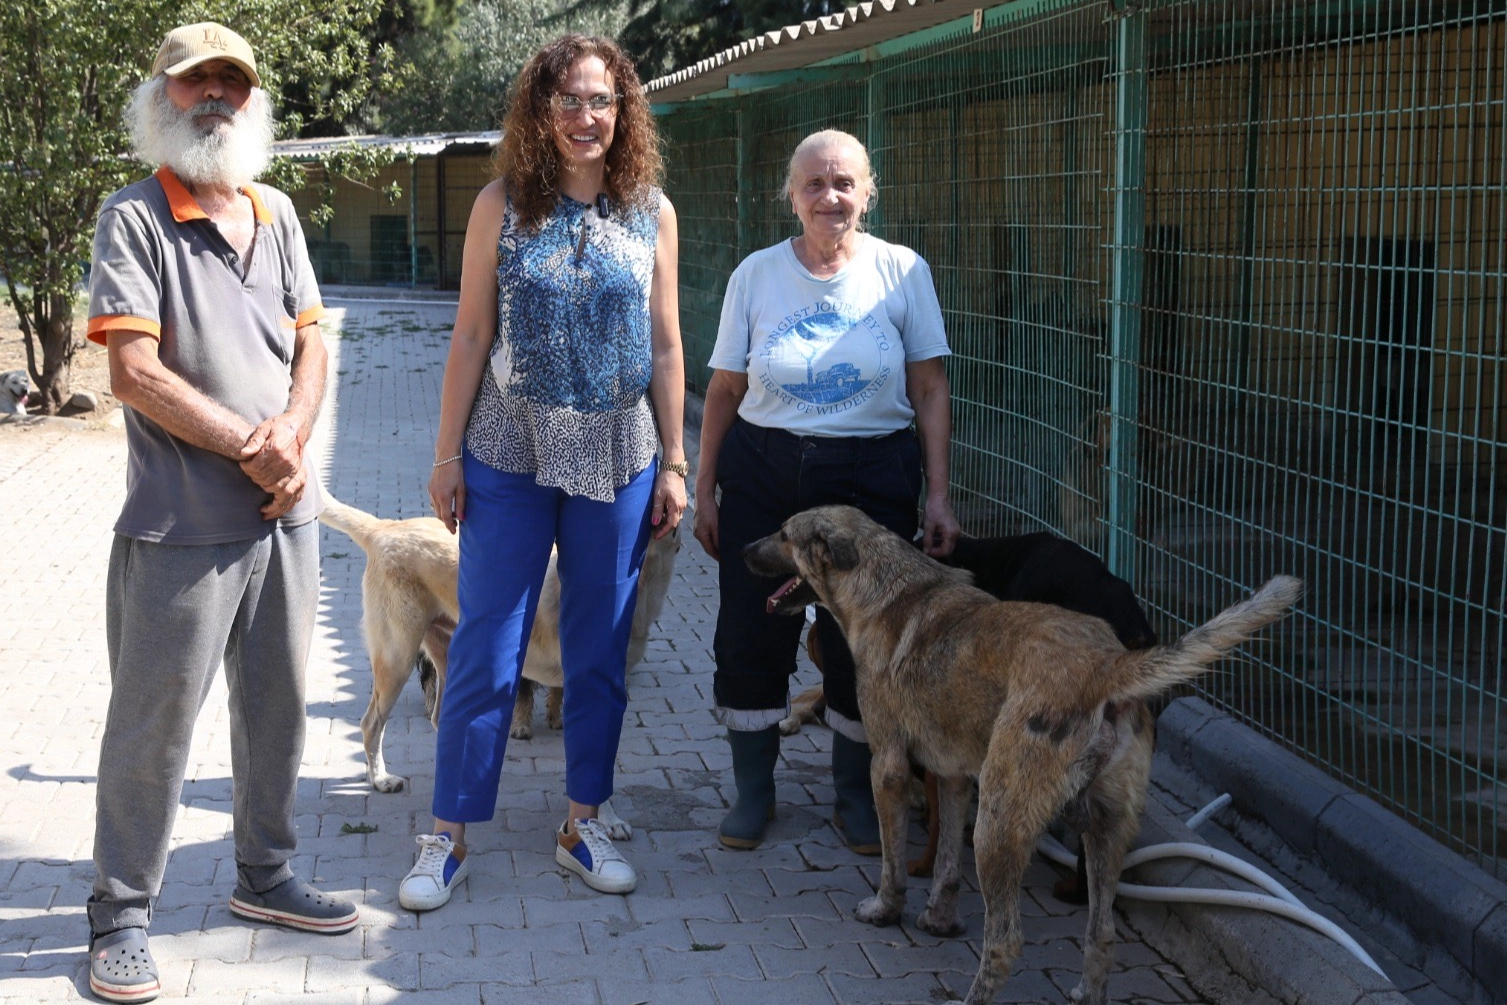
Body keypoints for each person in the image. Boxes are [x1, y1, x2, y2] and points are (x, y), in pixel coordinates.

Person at [84, 21, 356, 1005]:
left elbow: (312, 342)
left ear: (253, 101)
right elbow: (132, 372)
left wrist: (292, 435)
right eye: (195, 81)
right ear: (160, 96)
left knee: (279, 708)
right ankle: (119, 913)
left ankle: (265, 878)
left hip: (285, 514)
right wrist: (255, 445)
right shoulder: (134, 218)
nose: (215, 98)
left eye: (231, 84)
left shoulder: (274, 211)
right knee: (154, 726)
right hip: (180, 527)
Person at [398, 34, 687, 911]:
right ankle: (445, 835)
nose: (584, 117)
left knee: (599, 647)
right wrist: (447, 455)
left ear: (623, 110)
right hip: (509, 450)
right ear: (540, 110)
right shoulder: (500, 204)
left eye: (600, 100)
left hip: (617, 454)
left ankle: (581, 824)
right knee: (487, 642)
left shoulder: (652, 212)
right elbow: (471, 336)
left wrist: (675, 459)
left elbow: (668, 343)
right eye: (567, 100)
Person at [693, 128, 960, 853]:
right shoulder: (755, 274)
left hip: (869, 477)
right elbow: (723, 388)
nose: (829, 196)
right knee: (752, 627)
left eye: (843, 182)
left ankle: (855, 795)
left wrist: (937, 495)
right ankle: (754, 792)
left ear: (868, 192)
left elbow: (929, 388)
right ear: (791, 195)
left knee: (860, 641)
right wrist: (705, 486)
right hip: (765, 472)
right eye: (813, 184)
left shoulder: (902, 272)